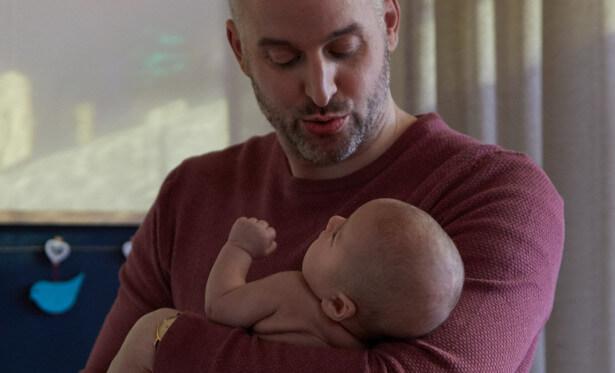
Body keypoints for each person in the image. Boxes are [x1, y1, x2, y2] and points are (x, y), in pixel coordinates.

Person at [84, 0, 565, 371]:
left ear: (391, 22)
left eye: (343, 51)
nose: (321, 90)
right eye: (282, 58)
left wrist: (164, 341)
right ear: (240, 52)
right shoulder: (191, 192)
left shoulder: (499, 194)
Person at [205, 198, 464, 348]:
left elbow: (219, 305)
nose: (335, 219)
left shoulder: (287, 293)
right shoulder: (363, 351)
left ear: (337, 305)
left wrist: (239, 247)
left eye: (338, 235)